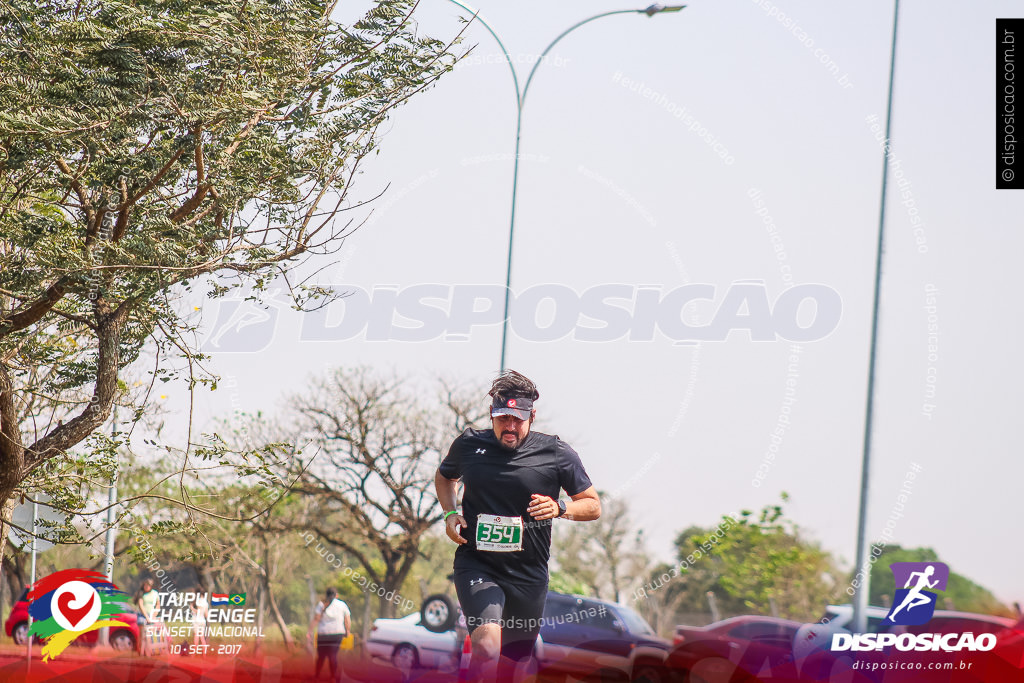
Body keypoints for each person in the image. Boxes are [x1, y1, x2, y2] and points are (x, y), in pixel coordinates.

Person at [434, 370, 601, 681]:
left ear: (532, 416)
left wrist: (560, 507)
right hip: (477, 564)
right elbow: (445, 477)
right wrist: (449, 512)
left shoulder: (556, 453)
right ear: (492, 414)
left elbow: (592, 505)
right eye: (503, 417)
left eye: (518, 418)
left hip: (528, 574)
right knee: (486, 647)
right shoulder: (470, 445)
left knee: (514, 667)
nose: (510, 426)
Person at [308, 587, 351, 682]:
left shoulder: (321, 604)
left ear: (326, 595)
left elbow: (316, 619)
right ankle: (333, 677)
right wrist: (347, 630)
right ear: (337, 595)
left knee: (321, 656)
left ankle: (317, 675)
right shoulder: (342, 604)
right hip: (337, 634)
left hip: (323, 634)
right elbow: (347, 619)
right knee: (333, 655)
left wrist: (310, 631)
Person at [134, 578, 160, 656]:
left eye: (148, 585)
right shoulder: (141, 594)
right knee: (142, 634)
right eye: (145, 585)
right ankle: (140, 650)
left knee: (150, 634)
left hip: (151, 615)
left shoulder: (155, 593)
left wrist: (154, 615)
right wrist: (147, 617)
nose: (146, 587)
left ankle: (149, 651)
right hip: (142, 616)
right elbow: (141, 606)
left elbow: (158, 605)